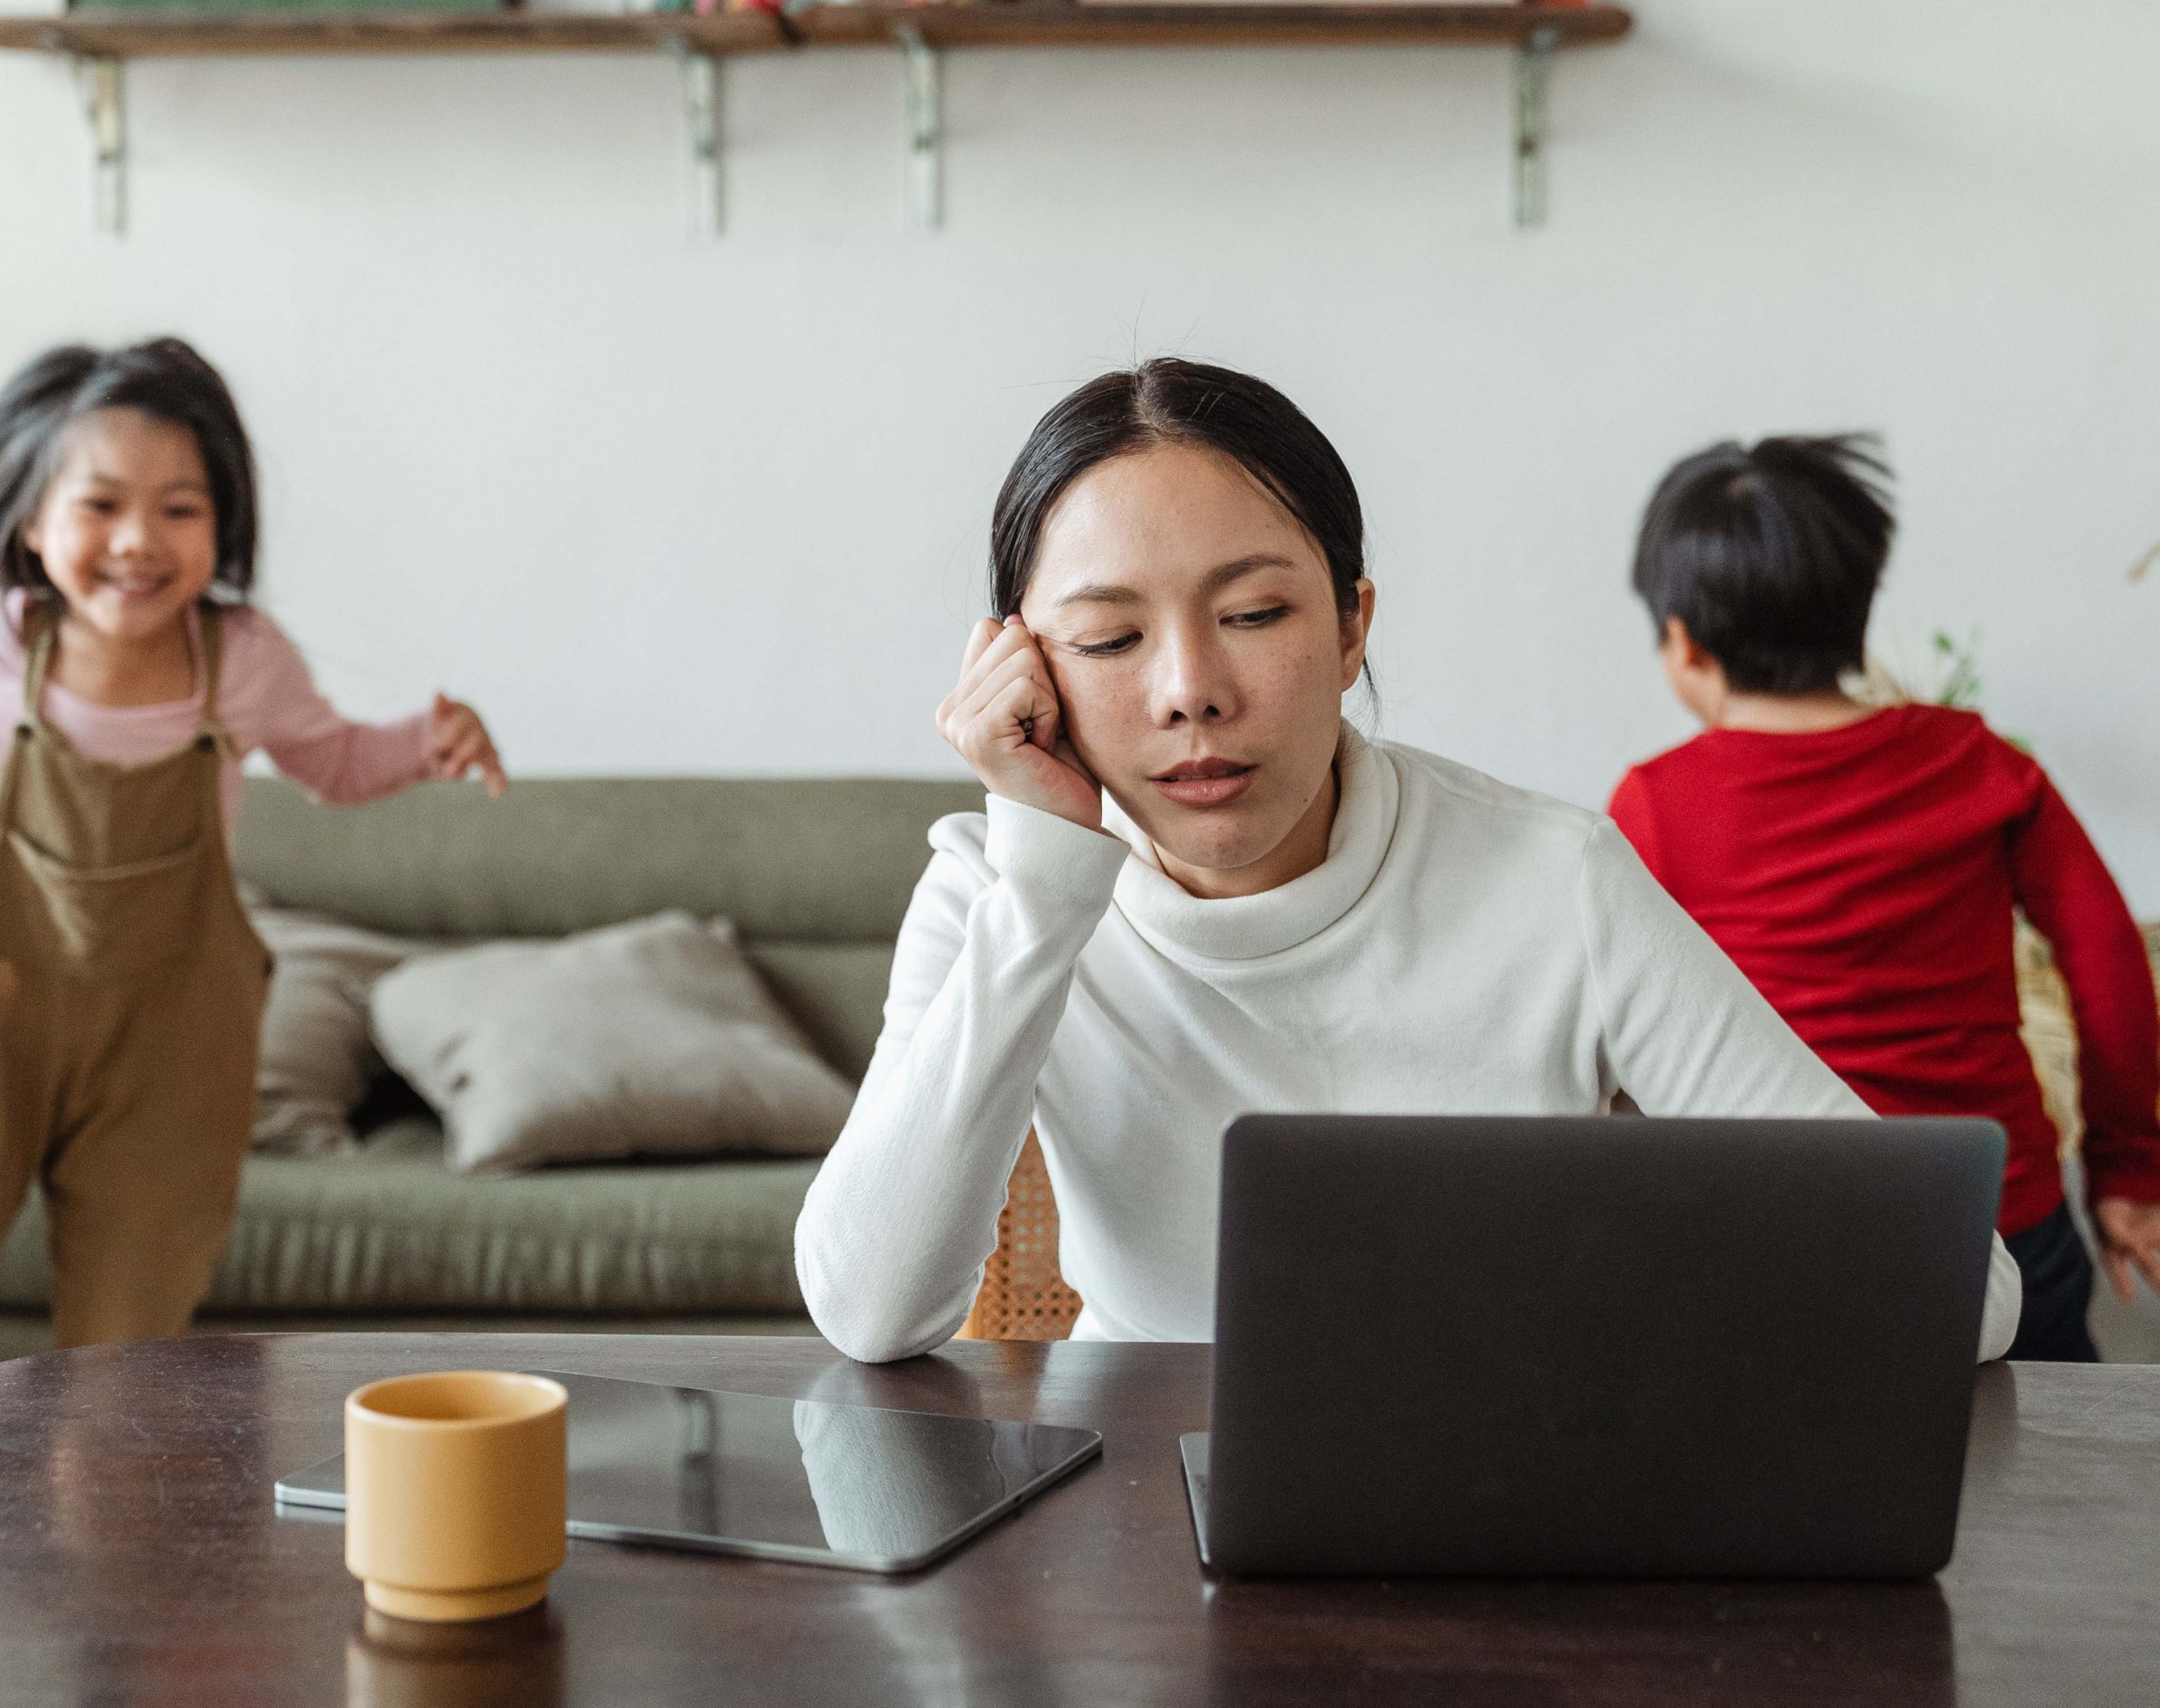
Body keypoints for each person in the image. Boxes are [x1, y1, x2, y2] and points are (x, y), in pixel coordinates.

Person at [794, 361, 2020, 1364]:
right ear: (1023, 669)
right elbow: (868, 1310)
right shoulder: (993, 892)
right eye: (1110, 636)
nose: (1190, 693)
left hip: (1507, 1495)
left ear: (1351, 628)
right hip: (1136, 1519)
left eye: (1257, 614)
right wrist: (1045, 883)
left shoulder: (1556, 879)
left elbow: (1962, 1292)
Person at [0, 337, 505, 1432]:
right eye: (100, 504)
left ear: (222, 525)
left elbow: (330, 761)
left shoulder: (240, 659)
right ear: (30, 520)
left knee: (124, 1371)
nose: (139, 542)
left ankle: (106, 1595)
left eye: (181, 509)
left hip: (168, 1043)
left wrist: (424, 743)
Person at [1609, 434, 2160, 1362]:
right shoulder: (1981, 764)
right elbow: (2106, 959)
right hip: (2001, 1220)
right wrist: (2127, 1168)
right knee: (2045, 1479)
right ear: (1858, 609)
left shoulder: (1654, 805)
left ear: (1683, 643)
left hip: (1782, 1233)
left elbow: (1617, 1021)